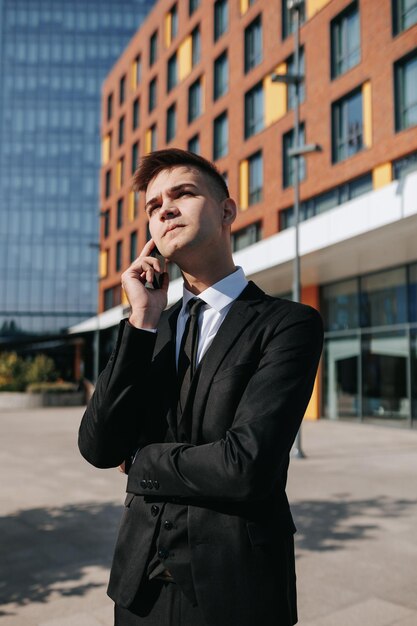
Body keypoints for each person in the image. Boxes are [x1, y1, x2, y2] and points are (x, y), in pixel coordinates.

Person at [78, 149, 323, 626]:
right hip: (138, 592)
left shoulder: (287, 324)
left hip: (237, 592)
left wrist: (145, 457)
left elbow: (245, 465)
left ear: (227, 210)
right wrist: (142, 319)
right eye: (152, 206)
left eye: (183, 194)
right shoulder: (146, 328)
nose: (164, 209)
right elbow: (98, 446)